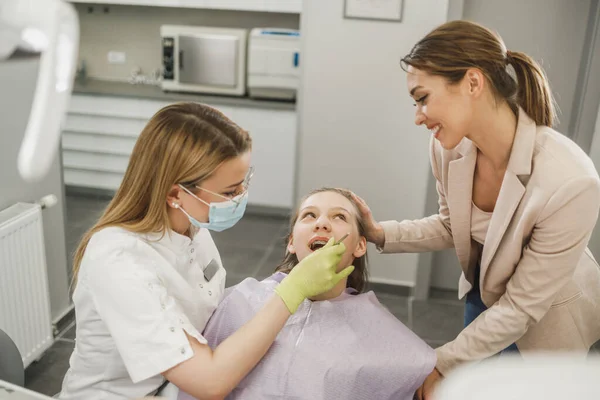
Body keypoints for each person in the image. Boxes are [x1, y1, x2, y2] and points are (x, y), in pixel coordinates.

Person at [351, 20, 600, 399]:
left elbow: (521, 307)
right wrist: (378, 233)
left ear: (472, 82)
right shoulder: (447, 147)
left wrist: (438, 363)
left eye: (423, 98)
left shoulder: (571, 180)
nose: (418, 115)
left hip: (546, 322)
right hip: (485, 295)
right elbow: (454, 226)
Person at [58, 103, 354, 400]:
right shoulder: (118, 261)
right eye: (229, 192)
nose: (241, 198)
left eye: (244, 183)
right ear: (176, 194)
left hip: (174, 387)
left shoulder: (194, 228)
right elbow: (210, 382)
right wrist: (294, 289)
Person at [178, 188, 436, 400]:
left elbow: (420, 372)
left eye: (339, 217)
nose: (322, 223)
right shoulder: (240, 301)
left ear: (360, 245)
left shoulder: (380, 332)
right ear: (291, 242)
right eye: (310, 215)